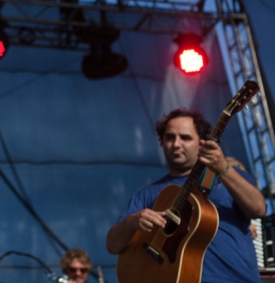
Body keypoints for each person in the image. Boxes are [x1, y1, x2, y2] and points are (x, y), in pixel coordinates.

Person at [106, 108, 265, 283]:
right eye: (170, 137)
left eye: (185, 137)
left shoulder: (227, 176)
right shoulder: (147, 194)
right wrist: (131, 221)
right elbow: (113, 245)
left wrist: (223, 168)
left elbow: (258, 209)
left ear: (202, 142)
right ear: (162, 142)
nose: (176, 144)